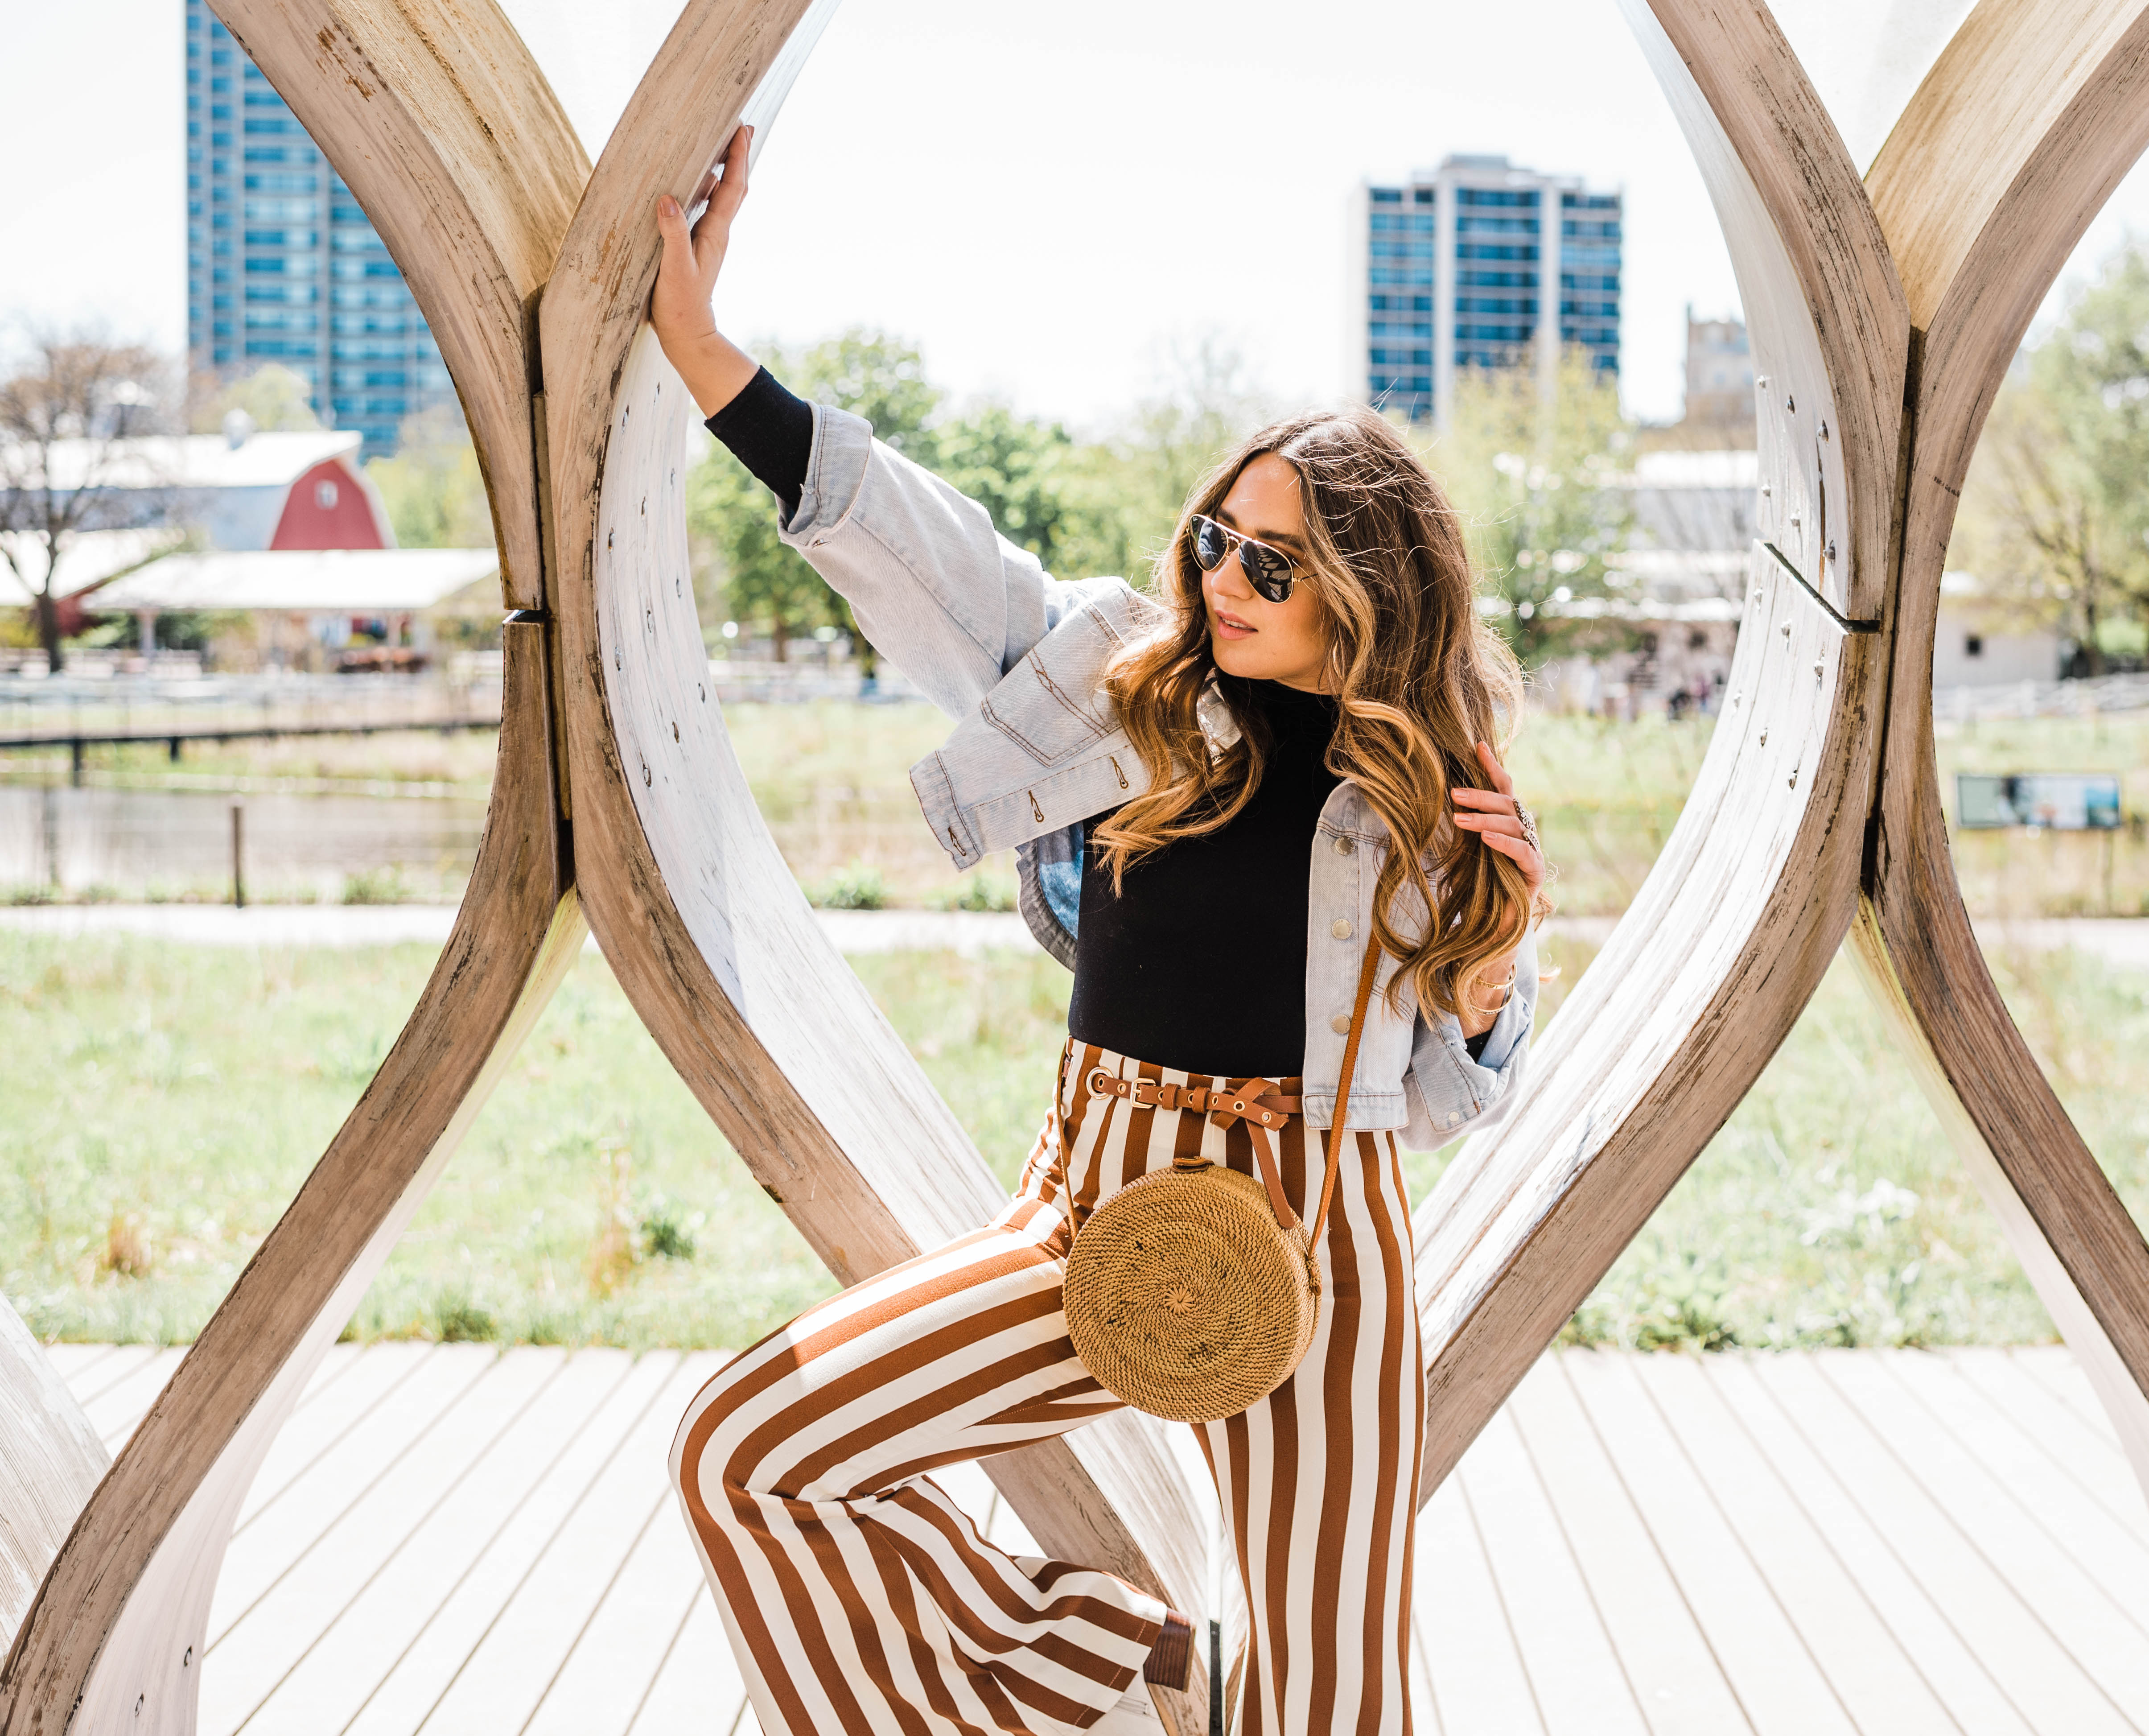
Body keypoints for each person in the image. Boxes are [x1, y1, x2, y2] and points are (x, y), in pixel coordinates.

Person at [650, 127, 1546, 1736]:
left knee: (1333, 1702)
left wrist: (1485, 976)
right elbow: (918, 552)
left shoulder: (1432, 785)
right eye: (1217, 536)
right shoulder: (1122, 679)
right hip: (1092, 1207)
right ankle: (1122, 1675)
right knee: (750, 1450)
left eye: (1272, 559)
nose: (1224, 575)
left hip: (1327, 1236)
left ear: (1364, 585)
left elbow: (1457, 1086)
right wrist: (716, 362)